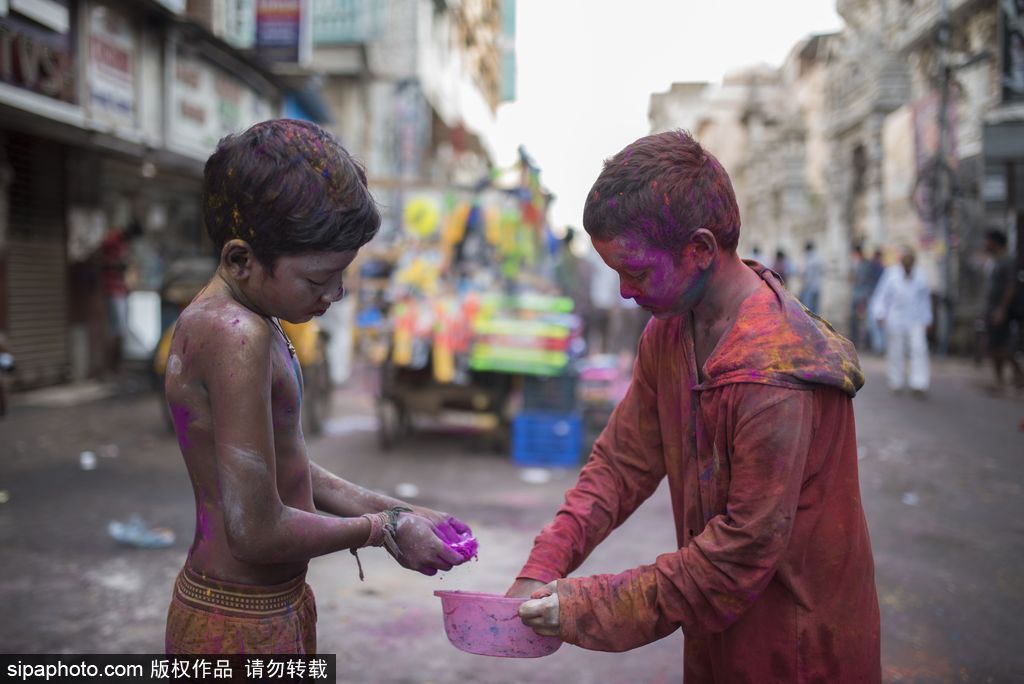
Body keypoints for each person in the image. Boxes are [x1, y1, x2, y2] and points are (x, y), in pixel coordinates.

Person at [508, 131, 879, 682]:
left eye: (635, 272)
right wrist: (545, 564)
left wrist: (583, 606)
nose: (626, 293)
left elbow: (736, 557)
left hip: (798, 648)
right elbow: (620, 464)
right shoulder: (670, 332)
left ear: (701, 250)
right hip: (715, 637)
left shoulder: (774, 372)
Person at [163, 119, 473, 655]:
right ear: (241, 259)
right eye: (318, 278)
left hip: (261, 609)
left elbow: (285, 466)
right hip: (237, 626)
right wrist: (382, 529)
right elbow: (256, 531)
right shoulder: (234, 333)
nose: (337, 292)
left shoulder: (252, 314)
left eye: (342, 274)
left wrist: (399, 511)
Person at [870, 245, 932, 397]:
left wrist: (928, 319)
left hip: (916, 319)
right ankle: (895, 382)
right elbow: (881, 296)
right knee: (895, 351)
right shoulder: (891, 275)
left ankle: (919, 383)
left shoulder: (921, 276)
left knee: (919, 349)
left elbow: (925, 301)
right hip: (895, 319)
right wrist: (880, 313)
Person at [982, 229, 1024, 392]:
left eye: (988, 241)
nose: (986, 244)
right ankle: (1000, 380)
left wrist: (1002, 309)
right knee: (993, 346)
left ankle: (1017, 376)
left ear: (995, 242)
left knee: (1003, 346)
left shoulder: (1008, 261)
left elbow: (1011, 286)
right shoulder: (994, 261)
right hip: (993, 308)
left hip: (1004, 310)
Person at [850, 245, 885, 353]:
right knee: (864, 322)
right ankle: (868, 343)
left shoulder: (865, 265)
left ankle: (868, 344)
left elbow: (862, 281)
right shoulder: (864, 265)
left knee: (865, 322)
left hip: (863, 297)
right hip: (864, 296)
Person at [799, 240, 823, 314]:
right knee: (816, 309)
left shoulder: (809, 259)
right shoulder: (819, 258)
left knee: (808, 309)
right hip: (818, 286)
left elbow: (804, 273)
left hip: (809, 287)